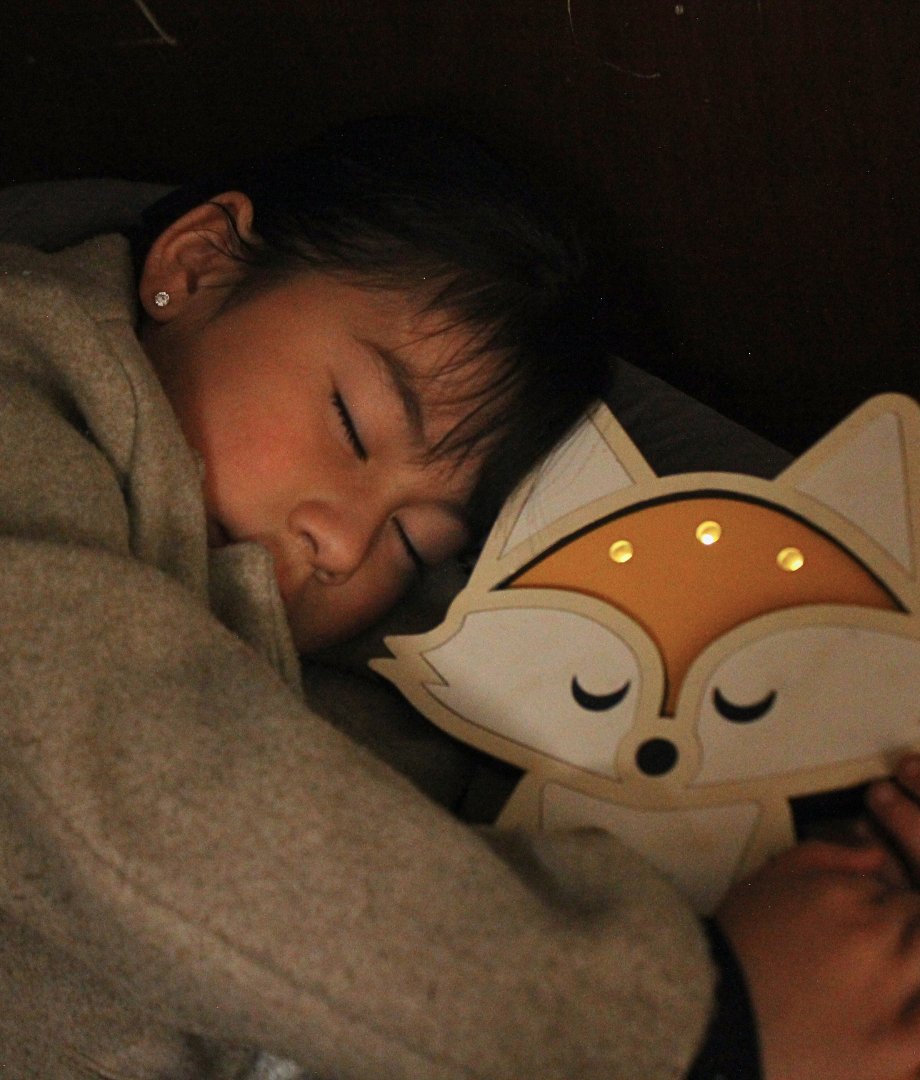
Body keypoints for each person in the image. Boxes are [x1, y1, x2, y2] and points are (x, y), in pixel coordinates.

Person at [0, 114, 919, 1080]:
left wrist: (856, 879)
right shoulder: (30, 375)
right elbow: (108, 741)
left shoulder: (351, 686)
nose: (346, 545)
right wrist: (691, 1022)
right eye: (353, 425)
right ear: (194, 266)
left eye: (413, 543)